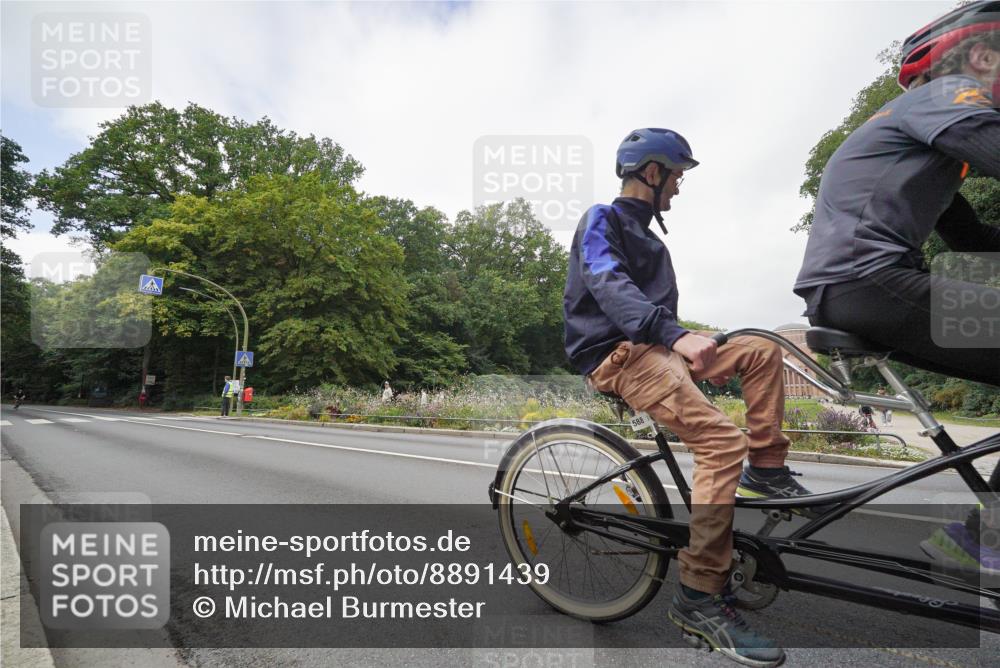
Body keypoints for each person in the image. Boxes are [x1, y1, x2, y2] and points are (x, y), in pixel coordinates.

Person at [564, 127, 816, 667]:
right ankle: (699, 597)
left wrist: (689, 338)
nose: (678, 187)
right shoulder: (600, 220)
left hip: (657, 345)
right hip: (619, 356)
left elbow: (655, 314)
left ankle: (767, 467)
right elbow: (607, 282)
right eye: (677, 176)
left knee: (760, 349)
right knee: (722, 442)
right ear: (652, 172)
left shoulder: (652, 238)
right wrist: (675, 335)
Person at [793, 2, 1000, 575]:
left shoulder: (921, 137)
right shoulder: (944, 97)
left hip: (860, 285)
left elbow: (971, 237)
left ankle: (987, 537)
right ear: (980, 55)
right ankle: (985, 541)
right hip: (867, 280)